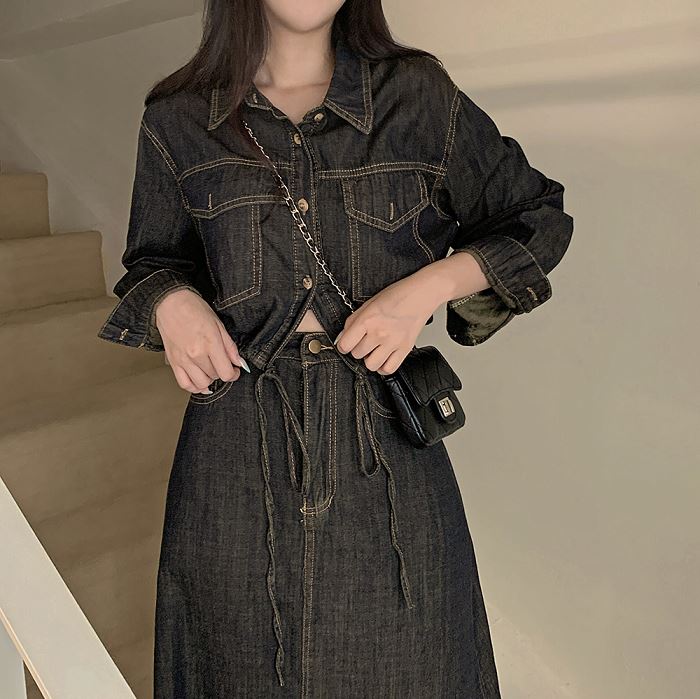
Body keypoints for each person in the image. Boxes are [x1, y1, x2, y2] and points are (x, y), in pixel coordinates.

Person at [97, 0, 574, 696]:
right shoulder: (179, 117)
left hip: (383, 443)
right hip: (236, 442)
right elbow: (151, 261)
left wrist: (422, 291)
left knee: (411, 666)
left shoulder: (417, 96)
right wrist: (172, 302)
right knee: (235, 666)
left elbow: (538, 219)